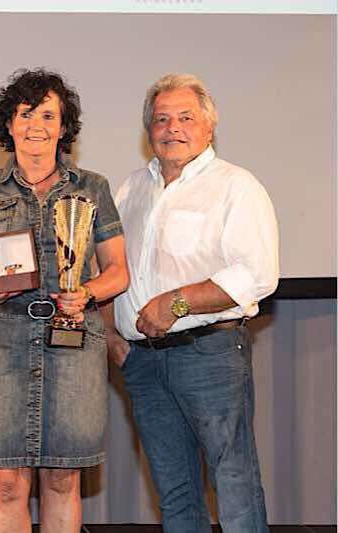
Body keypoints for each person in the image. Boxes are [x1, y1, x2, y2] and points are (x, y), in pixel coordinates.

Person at [104, 73, 279, 532]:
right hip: (142, 364)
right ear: (149, 131)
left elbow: (256, 274)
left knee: (234, 481)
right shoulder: (130, 190)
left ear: (209, 127)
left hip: (211, 355)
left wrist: (177, 304)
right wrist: (111, 339)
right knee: (175, 492)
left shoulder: (236, 186)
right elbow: (109, 267)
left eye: (185, 117)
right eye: (161, 119)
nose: (172, 128)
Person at [0, 68, 129, 533]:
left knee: (61, 479)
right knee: (7, 484)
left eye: (48, 115)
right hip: (0, 338)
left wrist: (87, 293)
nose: (36, 124)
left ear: (63, 126)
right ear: (8, 125)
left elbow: (117, 272)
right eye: (25, 113)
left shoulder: (92, 187)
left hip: (74, 337)